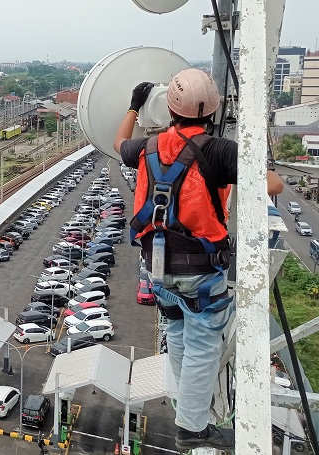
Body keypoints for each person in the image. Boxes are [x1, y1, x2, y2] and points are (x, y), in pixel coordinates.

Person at [114, 68, 283, 451]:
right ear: (212, 111)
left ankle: (185, 402)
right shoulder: (220, 150)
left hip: (157, 268)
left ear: (168, 109)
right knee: (204, 343)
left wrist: (133, 106)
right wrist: (247, 162)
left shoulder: (147, 147)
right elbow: (272, 185)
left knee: (176, 332)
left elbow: (118, 140)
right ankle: (192, 425)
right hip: (201, 273)